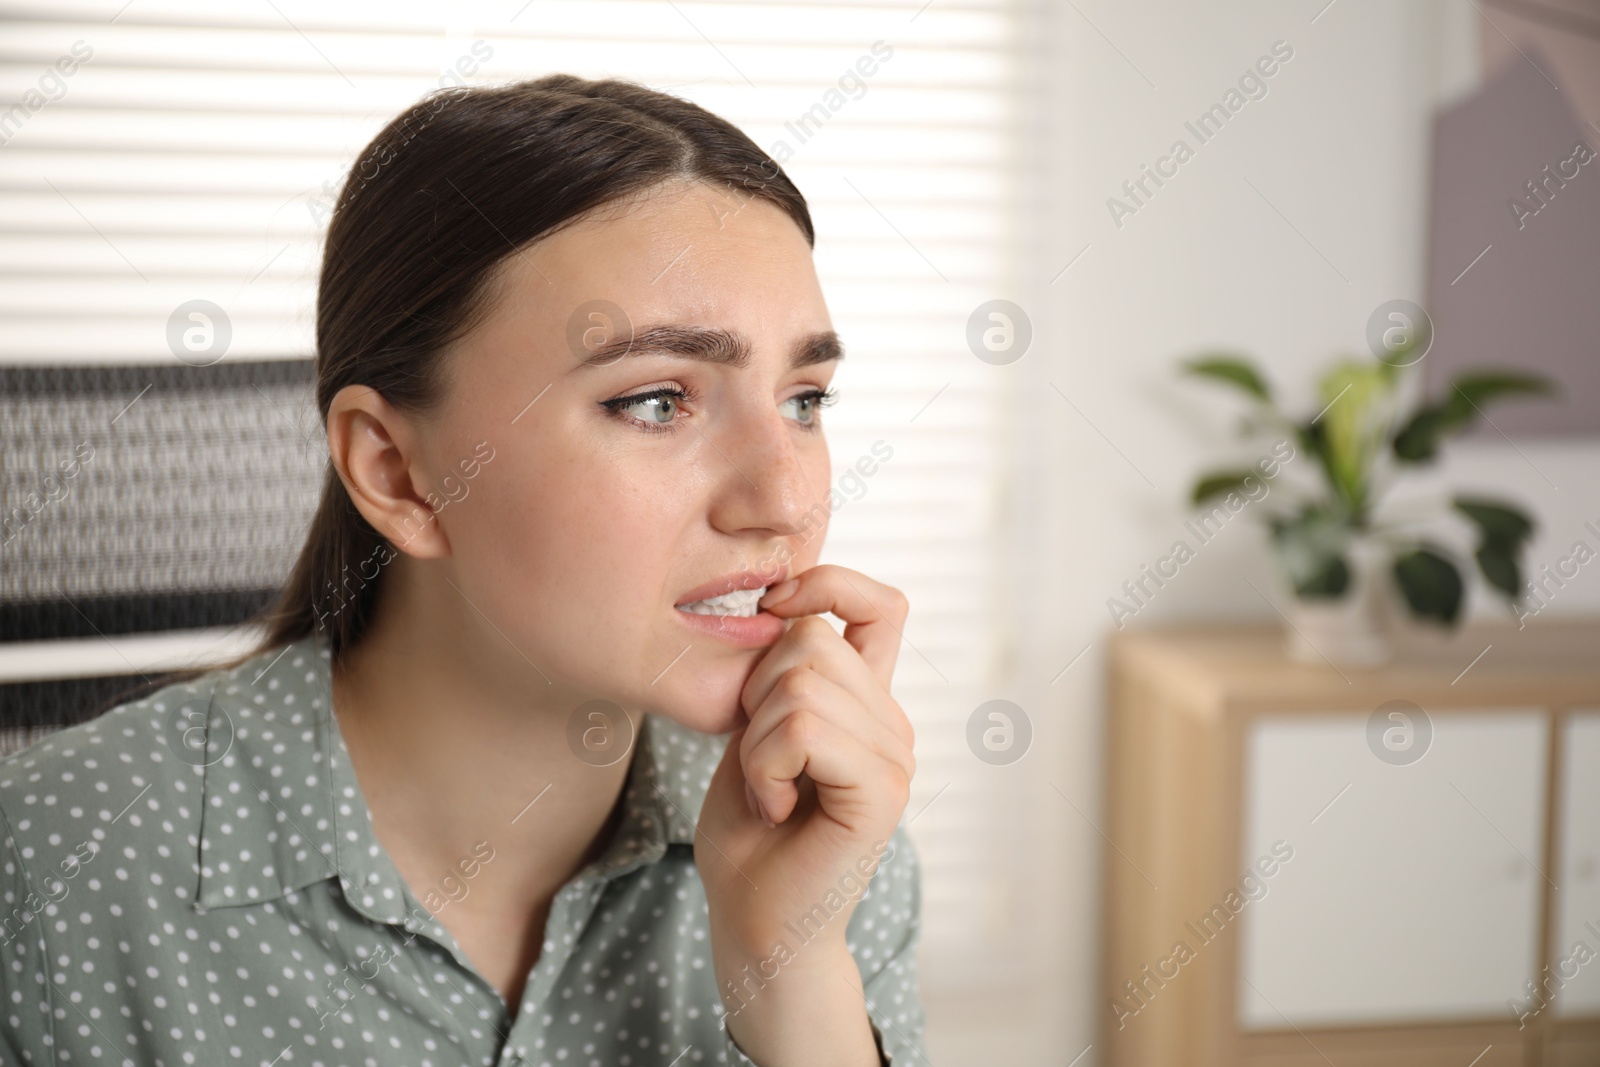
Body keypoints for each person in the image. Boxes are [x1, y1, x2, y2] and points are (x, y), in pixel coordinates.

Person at [0, 76, 926, 1066]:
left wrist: (790, 975)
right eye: (658, 401)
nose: (784, 502)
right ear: (398, 472)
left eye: (803, 400)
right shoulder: (54, 871)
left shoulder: (822, 839)